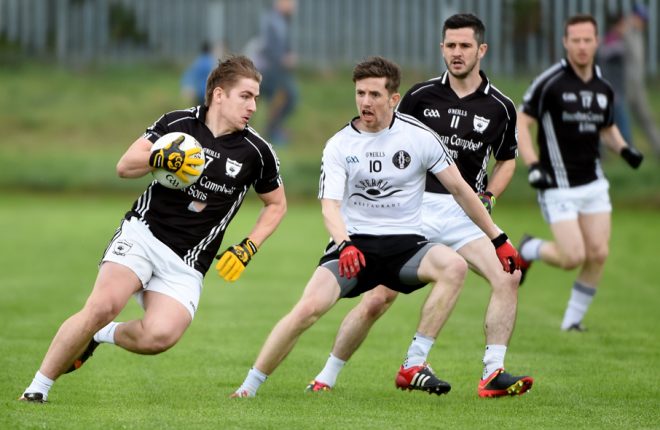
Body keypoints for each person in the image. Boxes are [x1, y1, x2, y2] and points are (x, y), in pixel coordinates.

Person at [232, 56, 521, 398]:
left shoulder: (420, 138)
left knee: (453, 266)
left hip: (406, 248)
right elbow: (330, 207)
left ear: (394, 99)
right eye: (360, 94)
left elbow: (461, 190)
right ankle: (248, 387)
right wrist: (344, 244)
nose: (366, 102)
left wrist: (497, 237)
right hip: (355, 246)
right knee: (307, 311)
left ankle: (413, 363)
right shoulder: (341, 144)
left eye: (374, 95)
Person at [19, 55, 287, 403]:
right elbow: (124, 166)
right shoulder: (177, 124)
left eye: (256, 98)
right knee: (102, 305)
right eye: (246, 96)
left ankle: (100, 336)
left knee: (159, 337)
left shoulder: (257, 151)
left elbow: (276, 204)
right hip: (143, 236)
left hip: (188, 261)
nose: (253, 106)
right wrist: (158, 158)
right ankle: (37, 389)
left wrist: (248, 246)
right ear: (219, 94)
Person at [305, 13, 533, 399]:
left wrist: (491, 195)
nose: (456, 53)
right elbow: (383, 141)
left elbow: (507, 159)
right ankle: (327, 374)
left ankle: (491, 372)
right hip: (415, 209)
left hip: (463, 213)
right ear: (441, 48)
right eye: (450, 45)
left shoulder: (501, 107)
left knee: (508, 276)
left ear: (482, 50)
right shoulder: (420, 96)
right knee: (379, 297)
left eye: (464, 46)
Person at [516, 14, 644, 332]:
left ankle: (572, 322)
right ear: (566, 42)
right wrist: (532, 164)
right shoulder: (550, 82)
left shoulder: (603, 87)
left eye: (588, 40)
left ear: (597, 42)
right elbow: (522, 122)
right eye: (576, 40)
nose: (582, 46)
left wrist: (625, 149)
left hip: (593, 183)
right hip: (557, 185)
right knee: (572, 256)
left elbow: (607, 128)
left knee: (598, 253)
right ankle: (529, 248)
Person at [253, 0, 299, 145]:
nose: (294, 6)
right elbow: (268, 46)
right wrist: (283, 58)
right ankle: (272, 131)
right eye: (291, 2)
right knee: (289, 96)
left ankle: (271, 130)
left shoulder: (281, 20)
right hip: (267, 70)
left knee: (277, 100)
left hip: (272, 70)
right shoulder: (273, 21)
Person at [622, 3, 660, 157]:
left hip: (637, 87)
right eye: (640, 19)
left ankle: (658, 148)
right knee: (614, 121)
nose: (643, 23)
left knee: (646, 119)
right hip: (622, 87)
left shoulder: (638, 34)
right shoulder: (624, 33)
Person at [181, 41, 218, 106]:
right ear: (210, 50)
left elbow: (189, 75)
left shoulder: (197, 62)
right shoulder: (211, 62)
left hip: (199, 93)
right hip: (209, 92)